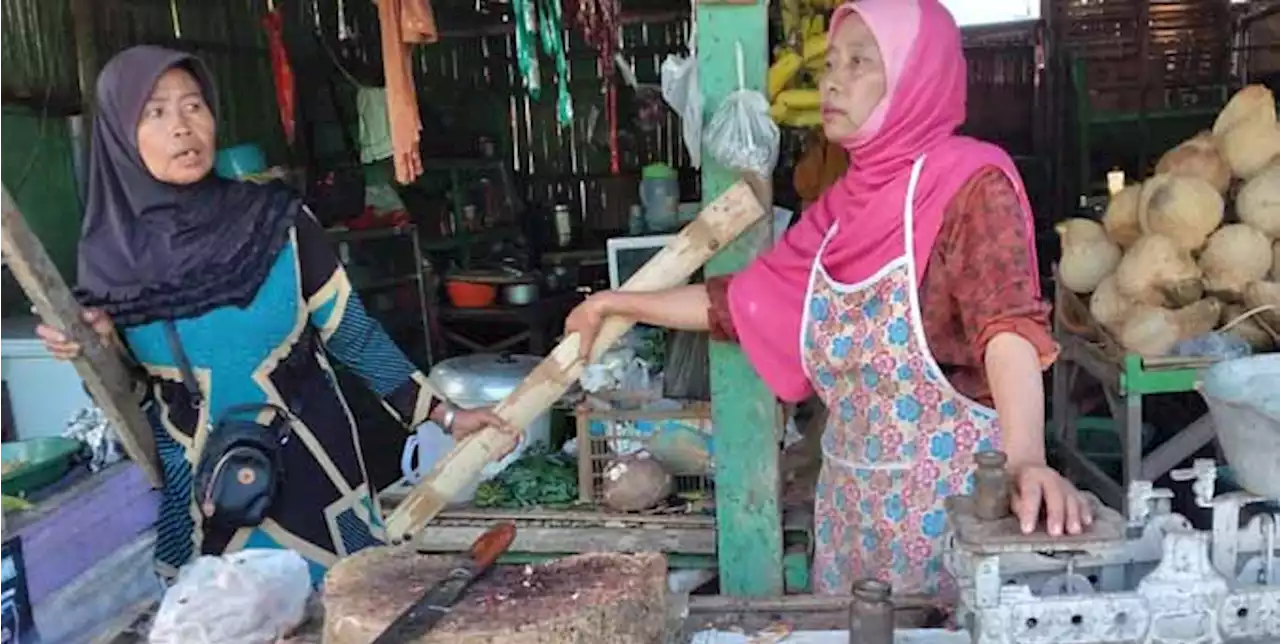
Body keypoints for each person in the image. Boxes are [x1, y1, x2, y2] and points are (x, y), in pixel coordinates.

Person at [565, 0, 1090, 600]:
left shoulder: (970, 181)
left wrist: (1026, 460)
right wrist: (619, 303)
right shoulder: (840, 211)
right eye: (831, 62)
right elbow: (740, 304)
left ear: (918, 75)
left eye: (861, 62)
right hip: (851, 518)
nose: (834, 80)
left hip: (956, 514)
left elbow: (1008, 329)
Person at [36, 45, 513, 585]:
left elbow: (352, 333)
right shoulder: (106, 260)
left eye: (193, 106)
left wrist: (445, 416)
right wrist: (94, 348)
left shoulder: (275, 221)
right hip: (204, 506)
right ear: (120, 136)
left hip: (318, 483)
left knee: (352, 623)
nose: (182, 127)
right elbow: (133, 395)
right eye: (156, 112)